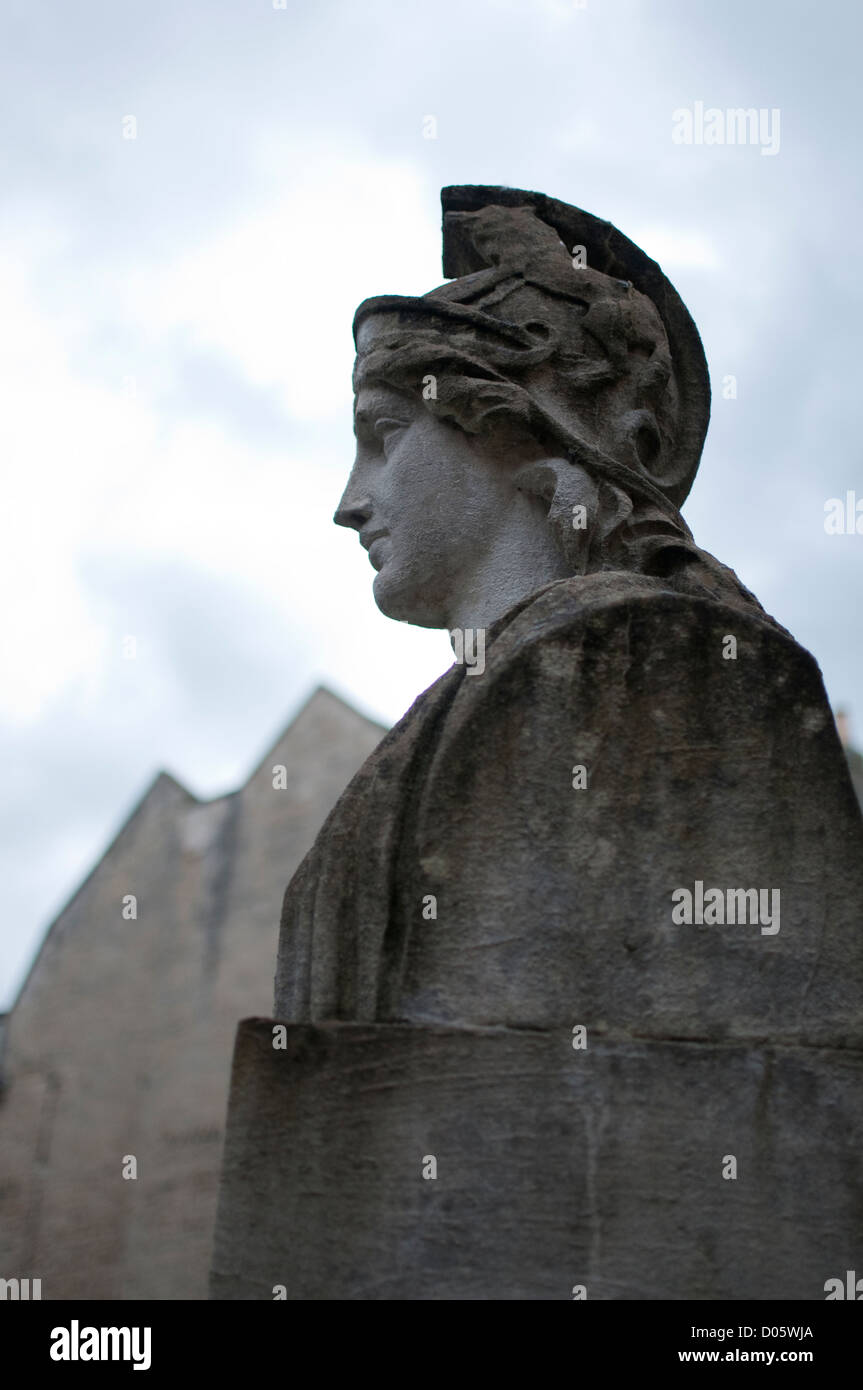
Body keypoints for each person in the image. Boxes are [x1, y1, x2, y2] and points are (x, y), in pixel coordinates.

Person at [274, 186, 863, 1047]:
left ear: (514, 428)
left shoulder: (655, 663)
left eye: (383, 435)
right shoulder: (500, 682)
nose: (349, 502)